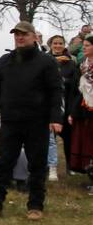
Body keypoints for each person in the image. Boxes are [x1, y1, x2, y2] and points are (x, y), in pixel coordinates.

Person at [0, 21, 64, 221]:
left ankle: (35, 206)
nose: (20, 37)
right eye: (16, 34)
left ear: (34, 36)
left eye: (24, 34)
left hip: (37, 121)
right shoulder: (6, 61)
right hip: (10, 121)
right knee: (4, 163)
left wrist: (55, 118)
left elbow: (55, 91)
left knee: (37, 165)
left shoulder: (46, 61)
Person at [48, 35, 79, 178]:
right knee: (49, 140)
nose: (58, 46)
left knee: (69, 138)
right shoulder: (45, 60)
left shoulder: (70, 63)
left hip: (66, 104)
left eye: (60, 43)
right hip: (49, 106)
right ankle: (50, 167)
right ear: (50, 45)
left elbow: (74, 85)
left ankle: (70, 166)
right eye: (55, 43)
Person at [66, 52, 93, 195]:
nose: (85, 48)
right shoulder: (82, 66)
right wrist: (73, 111)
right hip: (84, 110)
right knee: (87, 144)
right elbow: (76, 91)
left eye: (88, 45)